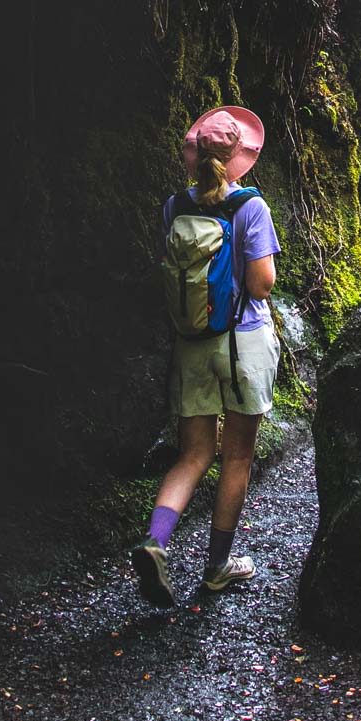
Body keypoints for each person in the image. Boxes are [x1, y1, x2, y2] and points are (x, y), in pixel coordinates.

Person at [131, 106, 281, 607]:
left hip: (191, 344)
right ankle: (217, 567)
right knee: (236, 454)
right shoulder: (250, 207)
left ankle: (155, 541)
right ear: (239, 157)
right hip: (242, 343)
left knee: (193, 453)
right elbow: (261, 285)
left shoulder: (174, 207)